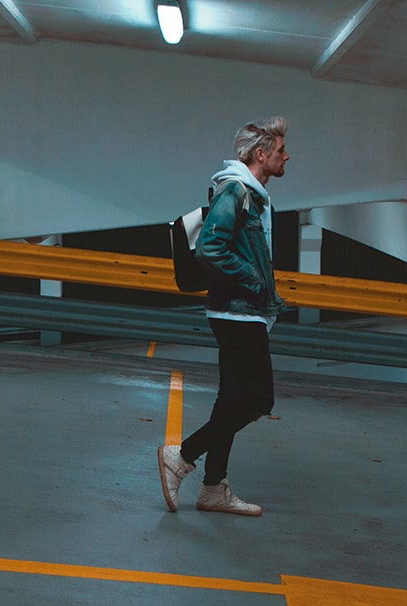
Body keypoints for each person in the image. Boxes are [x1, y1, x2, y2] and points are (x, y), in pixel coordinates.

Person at [157, 116, 290, 516]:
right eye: (281, 150)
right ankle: (182, 457)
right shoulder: (235, 191)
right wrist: (252, 279)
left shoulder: (252, 193)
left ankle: (213, 487)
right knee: (258, 399)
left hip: (240, 311)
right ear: (261, 154)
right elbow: (211, 247)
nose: (287, 156)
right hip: (238, 313)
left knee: (231, 398)